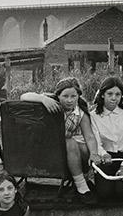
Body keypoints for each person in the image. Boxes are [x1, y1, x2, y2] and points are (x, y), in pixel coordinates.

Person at [20, 77, 102, 205]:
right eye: (65, 96)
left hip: (66, 151)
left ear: (78, 96)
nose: (69, 100)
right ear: (58, 95)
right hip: (47, 147)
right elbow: (24, 96)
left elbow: (90, 136)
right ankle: (81, 186)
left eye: (73, 96)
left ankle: (82, 176)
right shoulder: (50, 102)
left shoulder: (80, 113)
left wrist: (94, 153)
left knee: (81, 146)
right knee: (70, 141)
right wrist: (43, 99)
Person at [89, 76, 123, 200]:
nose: (114, 98)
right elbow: (95, 142)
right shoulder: (94, 116)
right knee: (105, 195)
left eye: (118, 94)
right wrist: (104, 154)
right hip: (105, 159)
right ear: (102, 95)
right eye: (109, 94)